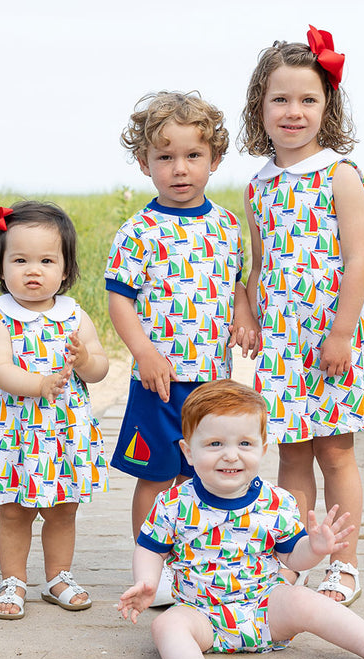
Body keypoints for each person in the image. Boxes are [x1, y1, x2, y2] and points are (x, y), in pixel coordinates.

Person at [238, 25, 364, 606]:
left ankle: (344, 565)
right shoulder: (259, 184)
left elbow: (358, 259)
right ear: (261, 106)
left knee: (335, 450)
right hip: (280, 341)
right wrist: (246, 311)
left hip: (331, 335)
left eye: (308, 99)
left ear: (328, 107)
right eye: (281, 99)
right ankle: (296, 561)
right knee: (291, 453)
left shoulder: (339, 174)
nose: (294, 111)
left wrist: (342, 332)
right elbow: (258, 264)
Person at [116, 380, 364, 659]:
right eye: (215, 444)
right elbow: (151, 550)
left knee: (304, 600)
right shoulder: (173, 503)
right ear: (189, 451)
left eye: (245, 443)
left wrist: (313, 548)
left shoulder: (276, 502)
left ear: (263, 448)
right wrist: (147, 580)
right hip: (200, 614)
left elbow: (292, 557)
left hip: (265, 608)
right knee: (166, 625)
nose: (231, 454)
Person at [105, 90, 255, 605]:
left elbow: (236, 281)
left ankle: (199, 562)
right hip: (160, 379)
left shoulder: (227, 226)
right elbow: (119, 299)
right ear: (145, 164)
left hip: (213, 381)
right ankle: (152, 571)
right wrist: (144, 353)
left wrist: (242, 313)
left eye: (193, 155)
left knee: (207, 473)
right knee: (157, 474)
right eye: (164, 157)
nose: (179, 168)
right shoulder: (138, 231)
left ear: (214, 159)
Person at [0, 201, 110, 620]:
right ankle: (14, 580)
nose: (33, 270)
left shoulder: (74, 315)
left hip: (61, 433)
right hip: (13, 432)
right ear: (2, 268)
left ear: (66, 269)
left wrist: (84, 360)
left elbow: (99, 367)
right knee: (14, 510)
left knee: (62, 509)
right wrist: (39, 385)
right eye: (20, 260)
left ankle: (58, 577)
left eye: (46, 260)